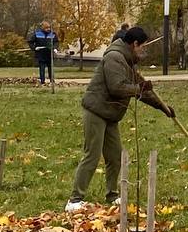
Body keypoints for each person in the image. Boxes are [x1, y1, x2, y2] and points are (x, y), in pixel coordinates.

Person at [66, 26, 175, 211]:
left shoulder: (128, 61)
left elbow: (142, 89)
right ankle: (75, 200)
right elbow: (117, 87)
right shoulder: (114, 57)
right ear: (134, 44)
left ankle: (112, 195)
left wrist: (162, 108)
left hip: (110, 114)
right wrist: (139, 89)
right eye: (143, 46)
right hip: (96, 111)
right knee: (92, 154)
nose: (144, 50)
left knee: (115, 156)